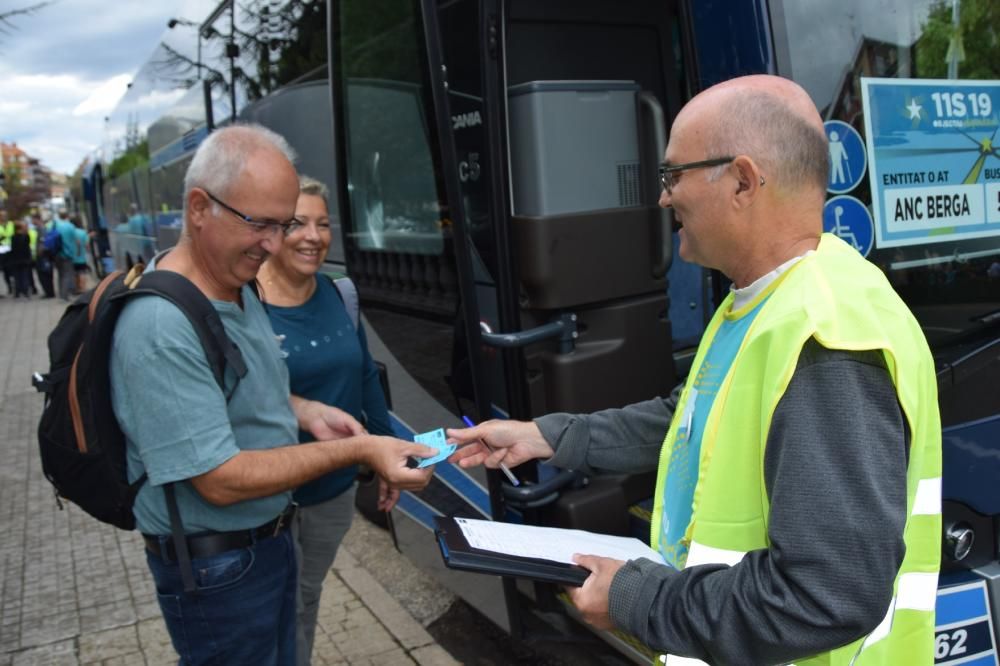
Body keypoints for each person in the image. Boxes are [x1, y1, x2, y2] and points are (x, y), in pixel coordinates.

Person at [449, 75, 941, 665]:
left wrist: (636, 601)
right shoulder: (766, 299)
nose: (662, 197)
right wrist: (547, 437)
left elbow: (825, 596)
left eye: (673, 175)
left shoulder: (824, 337)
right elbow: (690, 421)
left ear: (742, 180)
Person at [109, 124, 436, 665]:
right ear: (198, 208)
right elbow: (218, 479)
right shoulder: (162, 326)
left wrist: (306, 411)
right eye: (259, 223)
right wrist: (358, 450)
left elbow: (244, 387)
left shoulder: (237, 282)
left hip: (266, 543)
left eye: (280, 224)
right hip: (219, 570)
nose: (274, 243)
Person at [256, 175, 393, 666]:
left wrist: (387, 453)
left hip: (331, 493)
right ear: (270, 232)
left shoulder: (341, 295)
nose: (313, 236)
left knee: (306, 596)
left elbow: (364, 378)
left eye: (322, 223)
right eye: (296, 223)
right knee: (267, 610)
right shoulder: (242, 304)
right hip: (267, 499)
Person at [52, 209, 77, 300]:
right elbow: (74, 239)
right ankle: (66, 294)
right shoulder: (70, 226)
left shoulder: (56, 225)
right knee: (68, 274)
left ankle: (61, 293)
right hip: (67, 254)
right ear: (67, 216)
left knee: (60, 274)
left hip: (57, 253)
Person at [8, 220, 33, 298]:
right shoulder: (26, 236)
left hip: (16, 260)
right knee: (24, 275)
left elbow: (12, 249)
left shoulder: (13, 237)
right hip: (24, 259)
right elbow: (28, 247)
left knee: (17, 277)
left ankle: (18, 292)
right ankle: (25, 291)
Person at [32, 212, 55, 298]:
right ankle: (49, 292)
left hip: (43, 256)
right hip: (45, 255)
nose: (32, 221)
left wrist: (39, 254)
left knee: (44, 275)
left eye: (33, 219)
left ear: (36, 219)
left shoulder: (41, 228)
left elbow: (42, 242)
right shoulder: (42, 227)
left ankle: (49, 293)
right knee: (46, 274)